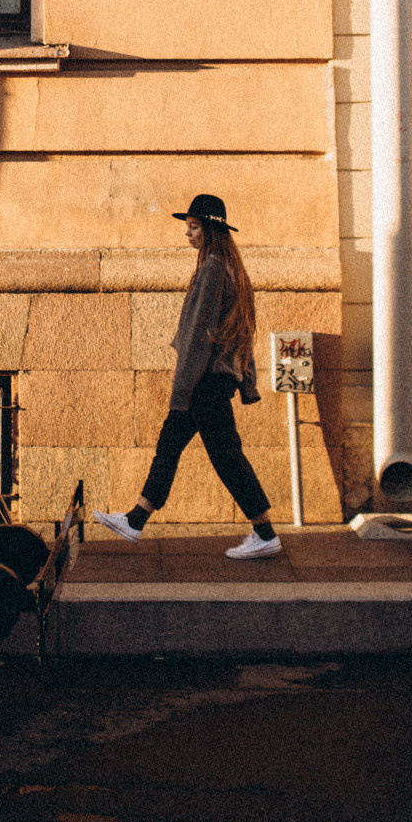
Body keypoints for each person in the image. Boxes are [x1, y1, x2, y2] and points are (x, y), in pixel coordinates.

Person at [94, 194, 280, 559]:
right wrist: (245, 381)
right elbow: (244, 332)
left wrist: (182, 390)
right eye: (188, 227)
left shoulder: (213, 268)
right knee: (171, 443)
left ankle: (265, 533)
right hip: (214, 379)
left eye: (194, 227)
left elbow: (198, 335)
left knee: (226, 457)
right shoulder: (231, 269)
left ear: (210, 230)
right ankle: (135, 519)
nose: (187, 233)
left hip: (204, 381)